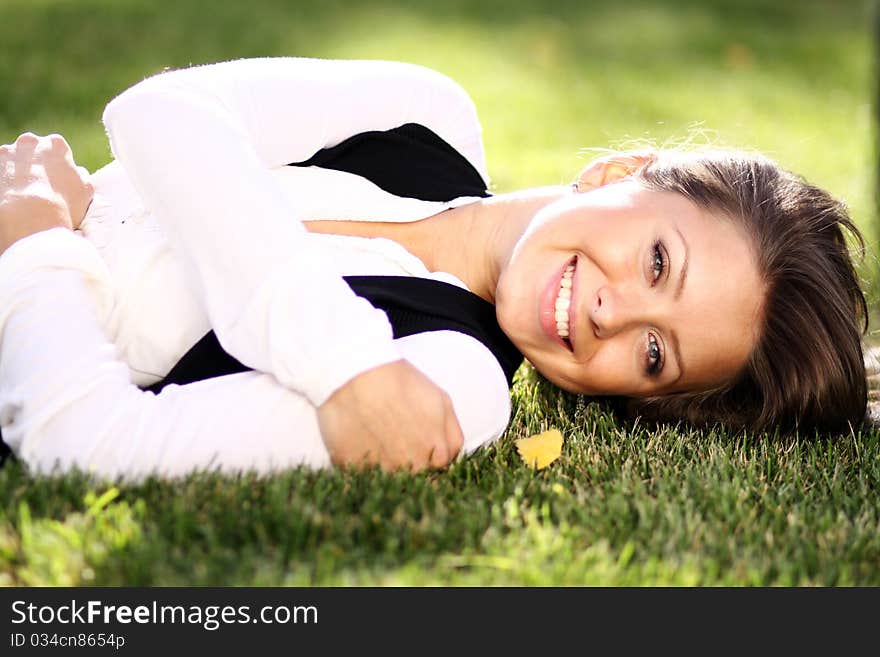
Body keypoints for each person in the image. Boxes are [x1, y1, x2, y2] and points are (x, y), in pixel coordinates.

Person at [0, 57, 868, 480]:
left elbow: (87, 443)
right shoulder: (424, 120)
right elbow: (158, 109)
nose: (615, 315)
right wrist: (337, 357)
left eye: (655, 354)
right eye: (656, 262)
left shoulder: (452, 384)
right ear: (621, 172)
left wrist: (36, 240)